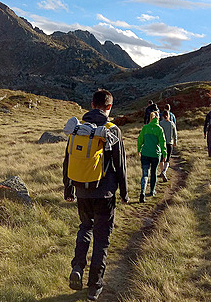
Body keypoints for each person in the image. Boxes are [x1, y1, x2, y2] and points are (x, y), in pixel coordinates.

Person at [63, 89, 129, 301]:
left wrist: (68, 188)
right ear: (109, 107)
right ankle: (94, 286)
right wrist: (125, 193)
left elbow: (68, 159)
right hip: (105, 193)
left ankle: (78, 267)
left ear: (92, 104)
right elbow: (121, 165)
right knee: (102, 239)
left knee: (85, 227)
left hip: (82, 190)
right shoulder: (112, 130)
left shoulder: (78, 128)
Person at [137, 111, 166, 203]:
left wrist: (139, 150)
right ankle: (152, 191)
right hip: (155, 154)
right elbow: (162, 142)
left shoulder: (145, 128)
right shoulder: (159, 129)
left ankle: (142, 192)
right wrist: (164, 154)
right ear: (158, 118)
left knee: (145, 174)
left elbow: (140, 139)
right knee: (153, 172)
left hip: (145, 153)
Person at [158, 109, 177, 182]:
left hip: (161, 143)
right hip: (169, 143)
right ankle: (164, 171)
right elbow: (175, 134)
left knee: (161, 158)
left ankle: (162, 171)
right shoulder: (171, 123)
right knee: (167, 159)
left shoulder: (160, 123)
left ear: (162, 116)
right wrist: (175, 141)